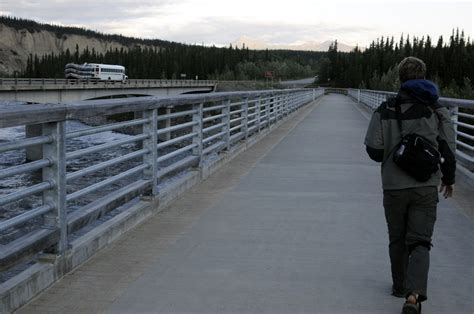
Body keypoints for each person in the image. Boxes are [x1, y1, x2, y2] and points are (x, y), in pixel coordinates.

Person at [364, 56, 456, 314]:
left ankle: (399, 285)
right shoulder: (437, 109)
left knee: (397, 238)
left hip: (393, 185)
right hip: (426, 185)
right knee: (420, 241)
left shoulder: (386, 108)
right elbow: (448, 147)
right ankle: (413, 296)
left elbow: (373, 149)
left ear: (400, 79)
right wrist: (449, 179)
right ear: (424, 77)